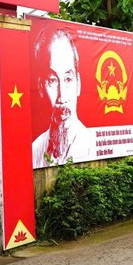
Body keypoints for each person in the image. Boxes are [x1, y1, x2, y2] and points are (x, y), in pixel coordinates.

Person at [32, 27, 93, 167]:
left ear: (78, 83)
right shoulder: (34, 151)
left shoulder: (93, 145)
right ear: (41, 86)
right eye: (52, 80)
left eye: (68, 79)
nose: (62, 96)